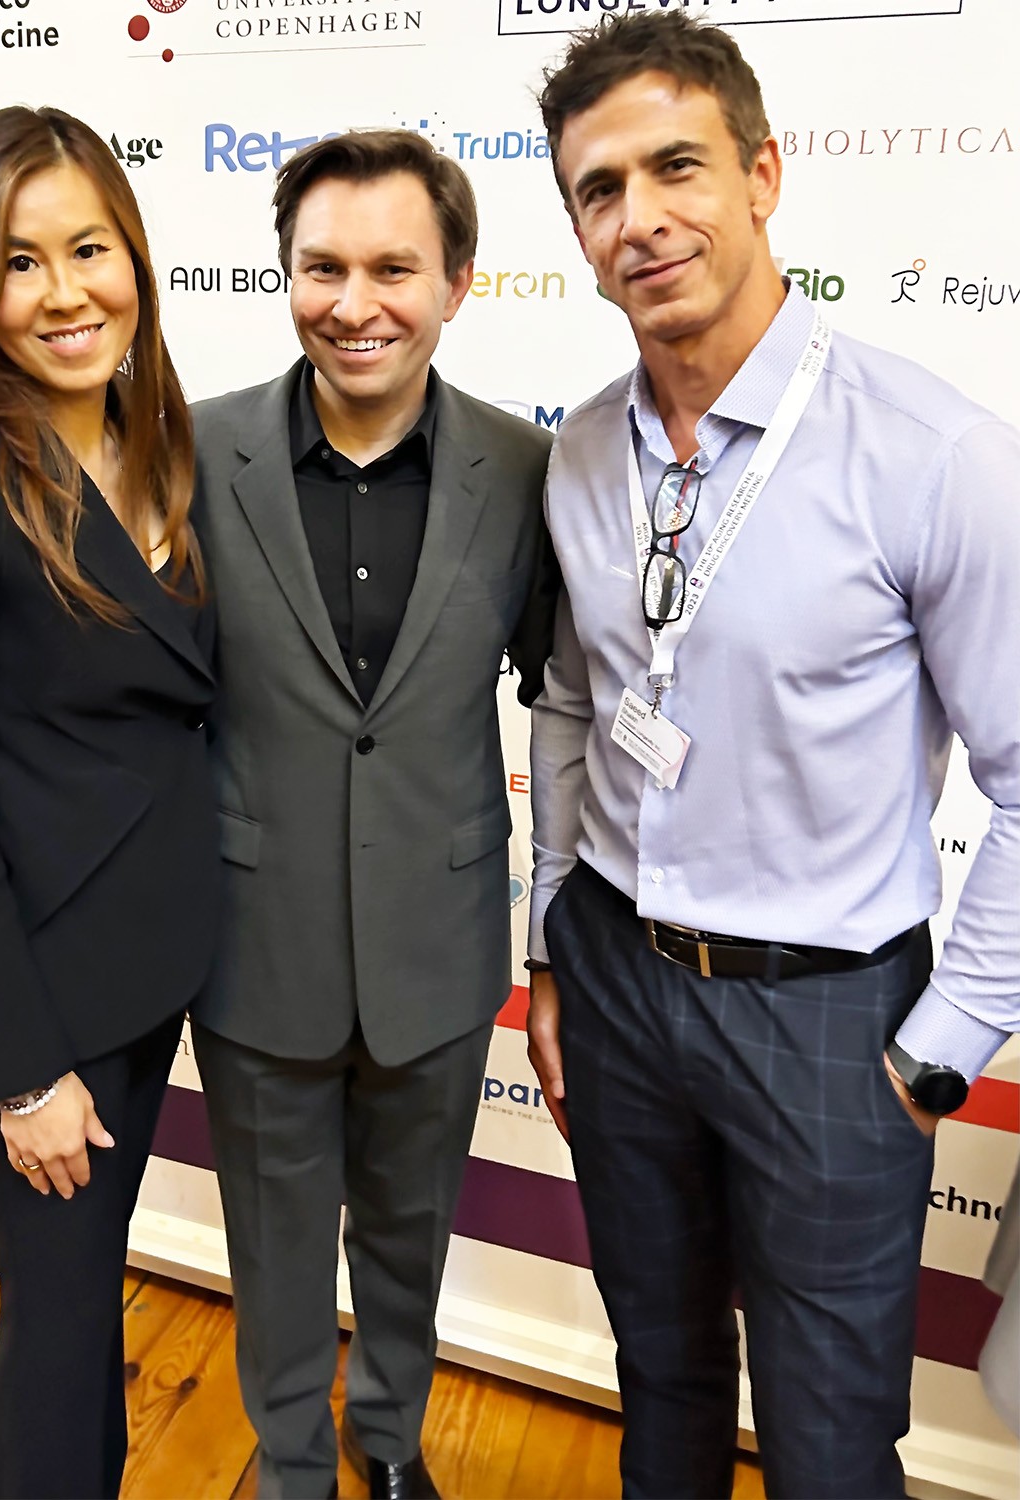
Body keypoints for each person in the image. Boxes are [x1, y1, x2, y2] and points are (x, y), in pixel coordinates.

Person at [523, 13, 1020, 1500]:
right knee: (660, 1385)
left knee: (825, 1441)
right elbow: (567, 699)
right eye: (600, 190)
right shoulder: (581, 452)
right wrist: (552, 943)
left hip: (829, 1020)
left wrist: (938, 1054)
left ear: (763, 174)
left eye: (676, 166)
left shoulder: (930, 454)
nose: (641, 217)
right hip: (615, 980)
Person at [0, 106, 218, 1500]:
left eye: (90, 248)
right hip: (53, 996)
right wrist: (20, 1073)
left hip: (173, 953)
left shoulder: (166, 441)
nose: (67, 292)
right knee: (64, 1334)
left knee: (83, 1314)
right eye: (19, 262)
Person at [191, 130, 555, 1500]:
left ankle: (388, 1443)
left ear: (458, 282)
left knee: (410, 1232)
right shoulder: (195, 447)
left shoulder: (525, 470)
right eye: (323, 267)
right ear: (285, 273)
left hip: (439, 939)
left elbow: (563, 698)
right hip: (250, 938)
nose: (356, 302)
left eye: (395, 267)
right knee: (275, 1243)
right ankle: (289, 1460)